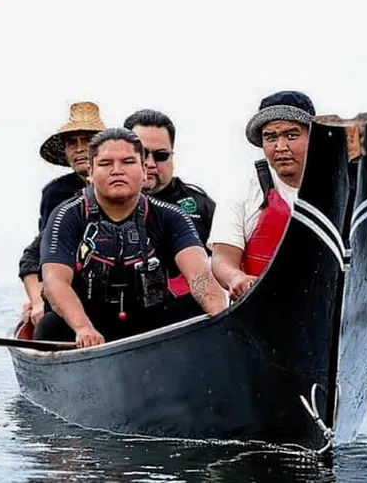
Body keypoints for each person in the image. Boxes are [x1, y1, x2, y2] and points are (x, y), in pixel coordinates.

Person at [208, 91, 367, 347]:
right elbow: (222, 259)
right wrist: (235, 278)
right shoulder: (243, 192)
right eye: (271, 137)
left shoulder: (359, 192)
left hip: (341, 331)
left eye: (292, 135)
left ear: (313, 137)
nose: (280, 147)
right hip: (262, 331)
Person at [35, 128, 228, 347]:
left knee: (194, 310)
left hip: (150, 322)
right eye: (106, 164)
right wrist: (83, 329)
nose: (117, 171)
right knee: (49, 327)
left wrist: (221, 317)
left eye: (127, 162)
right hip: (86, 327)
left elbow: (199, 275)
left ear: (145, 170)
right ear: (90, 171)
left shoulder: (172, 216)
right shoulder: (67, 215)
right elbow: (55, 283)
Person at [124, 108, 217, 322]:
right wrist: (36, 300)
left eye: (161, 155)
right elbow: (39, 258)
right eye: (141, 154)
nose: (150, 163)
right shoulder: (93, 205)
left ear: (172, 156)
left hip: (183, 320)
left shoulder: (202, 205)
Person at [18, 101, 106, 328]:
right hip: (69, 289)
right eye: (71, 143)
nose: (79, 148)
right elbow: (39, 254)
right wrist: (37, 300)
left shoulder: (129, 187)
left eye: (87, 141)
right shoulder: (55, 193)